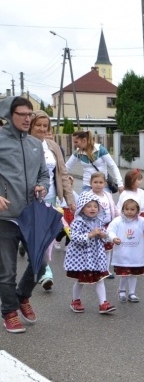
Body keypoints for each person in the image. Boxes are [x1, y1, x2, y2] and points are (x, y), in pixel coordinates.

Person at [0, 97, 48, 333]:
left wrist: (43, 186)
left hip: (30, 215)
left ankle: (22, 296)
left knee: (40, 263)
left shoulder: (35, 144)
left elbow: (44, 175)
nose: (28, 118)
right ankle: (9, 311)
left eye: (30, 114)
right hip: (5, 217)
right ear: (10, 115)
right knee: (7, 271)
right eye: (23, 114)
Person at [30, 110, 75, 291]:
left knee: (46, 239)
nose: (42, 129)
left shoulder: (52, 146)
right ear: (31, 126)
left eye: (45, 126)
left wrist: (70, 198)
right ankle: (46, 271)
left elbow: (63, 172)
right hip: (30, 199)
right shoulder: (24, 145)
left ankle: (40, 266)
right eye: (38, 125)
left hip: (50, 197)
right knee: (38, 237)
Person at [64, 191, 120, 315]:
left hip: (96, 257)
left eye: (95, 206)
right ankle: (75, 300)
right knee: (81, 280)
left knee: (100, 279)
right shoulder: (77, 222)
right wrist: (90, 234)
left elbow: (105, 235)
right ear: (82, 208)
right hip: (82, 258)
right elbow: (74, 237)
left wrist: (105, 236)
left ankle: (103, 304)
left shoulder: (98, 221)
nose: (92, 209)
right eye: (89, 206)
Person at [107, 198, 144, 303]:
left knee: (134, 274)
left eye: (132, 209)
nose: (129, 211)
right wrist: (114, 238)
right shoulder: (118, 221)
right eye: (127, 209)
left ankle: (132, 292)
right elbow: (110, 231)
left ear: (137, 211)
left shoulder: (142, 221)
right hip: (123, 253)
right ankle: (122, 290)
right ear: (123, 210)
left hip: (136, 254)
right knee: (125, 274)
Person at [87, 171, 119, 278]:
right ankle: (93, 268)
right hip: (95, 227)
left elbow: (113, 208)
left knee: (108, 248)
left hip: (107, 226)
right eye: (95, 182)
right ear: (90, 183)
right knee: (95, 248)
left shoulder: (108, 195)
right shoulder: (88, 196)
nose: (98, 184)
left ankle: (105, 269)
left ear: (105, 184)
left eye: (100, 182)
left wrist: (119, 217)